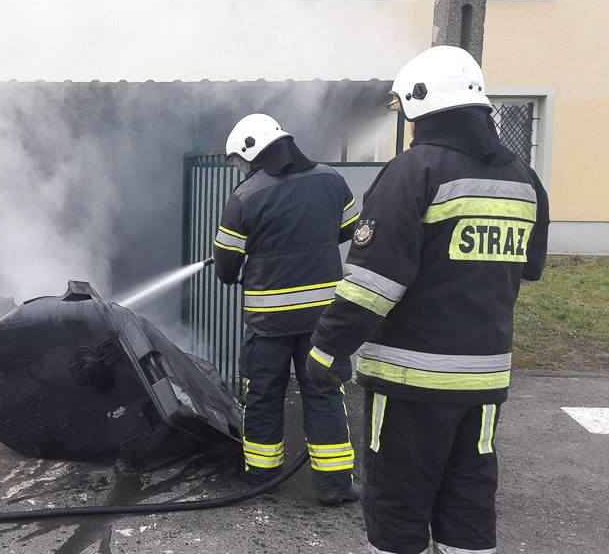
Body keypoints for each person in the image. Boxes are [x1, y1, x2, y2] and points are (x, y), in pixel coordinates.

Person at [305, 46, 550, 554]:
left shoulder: (413, 172)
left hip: (409, 386)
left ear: (421, 104)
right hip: (484, 384)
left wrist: (326, 349)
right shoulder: (525, 180)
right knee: (468, 507)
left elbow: (372, 283)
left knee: (397, 509)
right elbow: (528, 268)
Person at [213, 113, 362, 505]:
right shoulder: (332, 179)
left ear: (253, 152)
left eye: (241, 161)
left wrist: (236, 267)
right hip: (323, 323)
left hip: (268, 325)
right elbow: (349, 228)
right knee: (324, 394)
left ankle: (262, 477)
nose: (243, 169)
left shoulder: (246, 196)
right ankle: (334, 485)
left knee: (263, 396)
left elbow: (226, 261)